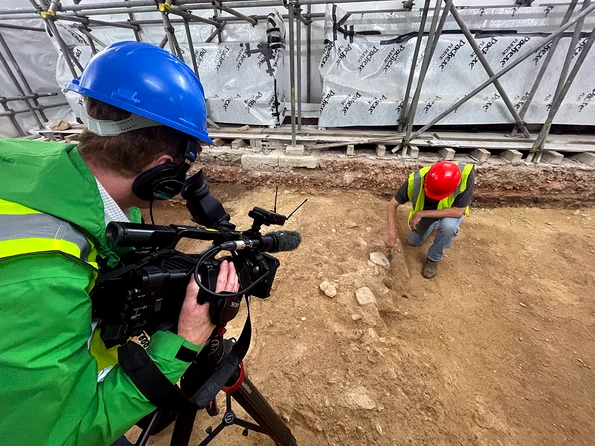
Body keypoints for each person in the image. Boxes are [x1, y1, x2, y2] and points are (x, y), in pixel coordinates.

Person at [0, 42, 237, 446]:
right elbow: (64, 434)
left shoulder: (23, 159)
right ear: (164, 171)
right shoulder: (46, 280)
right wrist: (182, 345)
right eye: (186, 162)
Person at [385, 161, 475, 279]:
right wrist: (391, 232)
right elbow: (392, 204)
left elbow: (458, 211)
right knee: (413, 241)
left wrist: (421, 213)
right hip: (428, 212)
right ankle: (435, 223)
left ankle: (433, 258)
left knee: (448, 227)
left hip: (450, 213)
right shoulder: (415, 180)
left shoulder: (466, 175)